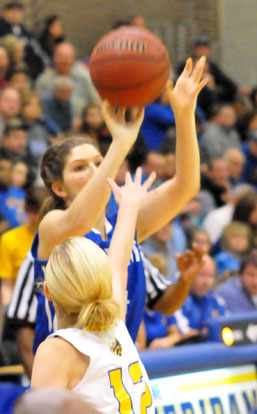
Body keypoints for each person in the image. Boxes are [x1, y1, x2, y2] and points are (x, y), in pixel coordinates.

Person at [31, 57, 208, 352]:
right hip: (67, 376)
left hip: (118, 369)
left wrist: (184, 112)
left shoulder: (125, 225)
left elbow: (186, 185)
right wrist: (120, 144)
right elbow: (79, 222)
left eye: (98, 163)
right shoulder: (53, 227)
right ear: (58, 188)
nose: (95, 171)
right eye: (80, 168)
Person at [31, 168, 156, 413]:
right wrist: (129, 205)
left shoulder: (57, 350)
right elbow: (119, 260)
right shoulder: (116, 323)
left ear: (47, 291)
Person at [0, 186, 49, 306]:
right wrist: (9, 311)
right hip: (20, 305)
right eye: (34, 213)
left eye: (42, 214)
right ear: (26, 210)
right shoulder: (9, 239)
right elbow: (6, 283)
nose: (37, 218)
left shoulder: (55, 239)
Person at [175, 255, 226, 337]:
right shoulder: (175, 298)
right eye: (202, 275)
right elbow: (185, 334)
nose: (207, 282)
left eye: (210, 276)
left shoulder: (215, 299)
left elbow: (227, 324)